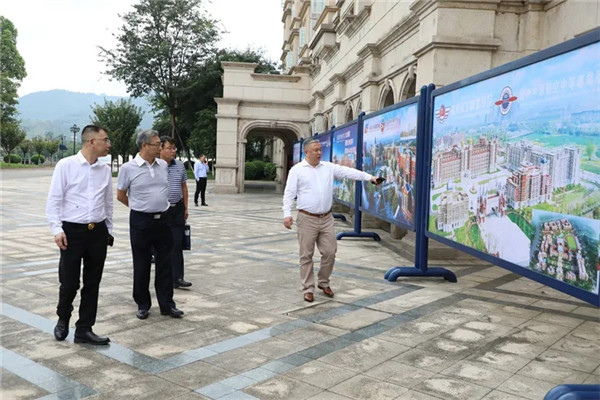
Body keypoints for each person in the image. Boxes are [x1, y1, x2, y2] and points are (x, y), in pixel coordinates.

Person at [283, 137, 382, 302]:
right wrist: (286, 214)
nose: (319, 152)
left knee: (330, 252)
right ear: (306, 152)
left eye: (320, 149)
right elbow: (289, 193)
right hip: (306, 218)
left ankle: (323, 282)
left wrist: (369, 177)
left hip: (326, 218)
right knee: (306, 255)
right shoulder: (297, 170)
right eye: (315, 150)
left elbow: (348, 172)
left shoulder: (328, 167)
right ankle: (308, 288)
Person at [46, 125, 113, 345]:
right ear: (91, 142)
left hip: (97, 232)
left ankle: (84, 329)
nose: (108, 144)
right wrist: (57, 230)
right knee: (69, 282)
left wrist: (109, 230)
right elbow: (54, 200)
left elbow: (108, 202)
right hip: (72, 232)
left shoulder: (104, 169)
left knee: (92, 283)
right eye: (105, 140)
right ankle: (63, 318)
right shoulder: (66, 165)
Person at [117, 129, 184, 320]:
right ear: (144, 145)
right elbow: (121, 195)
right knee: (142, 263)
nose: (160, 148)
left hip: (163, 219)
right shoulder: (128, 168)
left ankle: (167, 304)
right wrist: (139, 207)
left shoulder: (162, 165)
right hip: (141, 221)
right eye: (157, 144)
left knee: (165, 263)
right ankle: (142, 304)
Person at [159, 136, 192, 288]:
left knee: (177, 243)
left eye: (174, 148)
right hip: (161, 210)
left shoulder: (179, 166)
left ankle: (177, 277)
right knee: (163, 245)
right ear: (161, 149)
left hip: (177, 208)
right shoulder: (155, 166)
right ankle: (164, 277)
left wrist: (186, 207)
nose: (173, 151)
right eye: (169, 148)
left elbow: (184, 187)